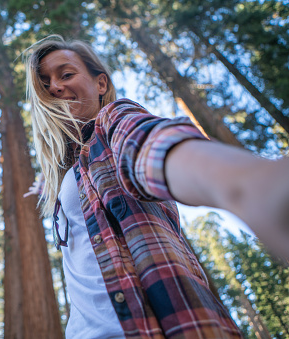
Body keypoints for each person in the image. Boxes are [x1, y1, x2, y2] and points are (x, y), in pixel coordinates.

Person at [22, 35, 289, 339]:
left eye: (66, 74)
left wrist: (246, 184)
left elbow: (148, 143)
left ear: (101, 84)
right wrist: (46, 185)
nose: (55, 87)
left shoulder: (111, 121)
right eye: (45, 84)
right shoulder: (67, 170)